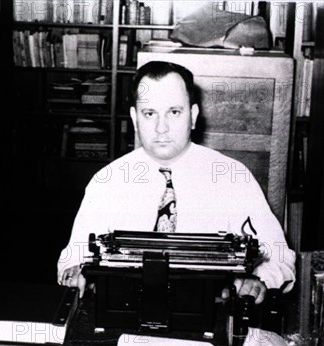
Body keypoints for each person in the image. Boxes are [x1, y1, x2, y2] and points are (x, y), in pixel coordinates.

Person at [57, 61, 295, 303]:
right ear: (134, 118)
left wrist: (258, 280)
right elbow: (72, 259)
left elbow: (280, 256)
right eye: (150, 114)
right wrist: (74, 273)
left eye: (174, 112)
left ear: (192, 116)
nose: (162, 128)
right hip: (124, 313)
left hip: (210, 312)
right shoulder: (107, 182)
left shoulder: (232, 177)